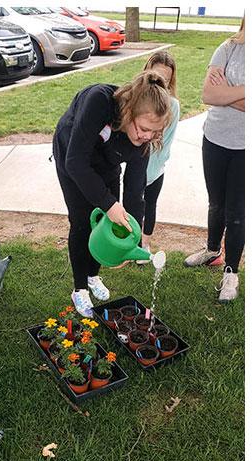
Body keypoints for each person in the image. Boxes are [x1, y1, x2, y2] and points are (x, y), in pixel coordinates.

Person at [52, 70, 173, 317]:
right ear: (130, 112)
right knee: (82, 221)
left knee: (108, 221)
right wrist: (108, 203)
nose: (147, 136)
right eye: (143, 128)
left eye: (154, 132)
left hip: (107, 160)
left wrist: (132, 241)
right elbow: (76, 162)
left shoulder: (143, 143)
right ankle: (79, 289)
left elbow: (134, 193)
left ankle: (93, 275)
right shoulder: (100, 101)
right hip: (72, 154)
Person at [184, 18, 245, 302]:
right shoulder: (227, 48)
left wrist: (227, 93)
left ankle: (231, 273)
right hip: (215, 139)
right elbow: (209, 94)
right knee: (216, 203)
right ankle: (212, 250)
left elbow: (219, 95)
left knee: (236, 212)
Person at [136, 51, 181, 263]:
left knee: (149, 205)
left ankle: (144, 245)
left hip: (155, 169)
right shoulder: (136, 98)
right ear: (147, 71)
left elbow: (163, 142)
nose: (161, 82)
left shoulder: (172, 106)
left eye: (167, 79)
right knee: (131, 206)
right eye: (157, 76)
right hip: (133, 167)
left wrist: (150, 172)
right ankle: (128, 244)